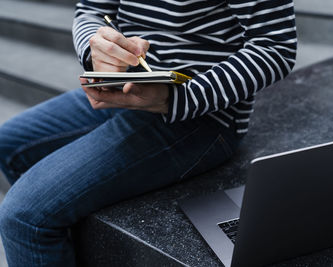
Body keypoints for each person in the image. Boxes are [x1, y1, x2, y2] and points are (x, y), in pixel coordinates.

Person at [0, 0, 297, 265]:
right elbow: (91, 10)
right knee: (10, 144)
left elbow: (275, 46)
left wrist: (179, 99)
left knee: (25, 217)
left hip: (204, 116)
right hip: (125, 87)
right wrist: (98, 52)